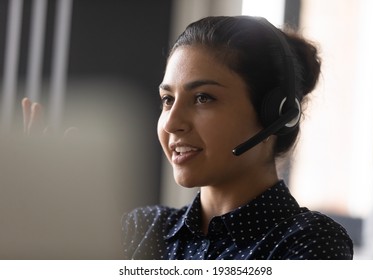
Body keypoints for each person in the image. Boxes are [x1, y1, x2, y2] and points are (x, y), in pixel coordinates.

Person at [121, 15, 353, 260]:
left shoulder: (311, 242)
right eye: (168, 100)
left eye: (203, 98)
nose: (171, 123)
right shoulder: (143, 229)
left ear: (275, 115)